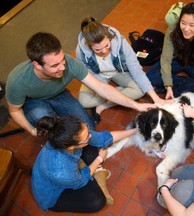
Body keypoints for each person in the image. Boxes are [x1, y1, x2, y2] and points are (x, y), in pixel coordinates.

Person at [5, 32, 156, 138]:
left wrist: (136, 105)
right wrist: (31, 130)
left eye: (62, 59)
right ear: (37, 65)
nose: (63, 67)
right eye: (55, 66)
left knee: (87, 129)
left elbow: (101, 87)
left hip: (58, 94)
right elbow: (14, 111)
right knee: (48, 123)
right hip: (34, 101)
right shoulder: (17, 81)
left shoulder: (69, 63)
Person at [32, 115, 137, 212]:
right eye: (86, 137)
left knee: (92, 146)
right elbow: (81, 179)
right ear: (71, 147)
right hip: (54, 193)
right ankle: (98, 174)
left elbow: (102, 138)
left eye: (87, 129)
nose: (90, 135)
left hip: (66, 171)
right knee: (97, 202)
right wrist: (100, 159)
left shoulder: (67, 132)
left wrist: (135, 130)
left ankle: (94, 171)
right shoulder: (61, 172)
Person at [76, 16, 168, 122]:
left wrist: (156, 98)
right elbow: (88, 74)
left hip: (118, 71)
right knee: (84, 102)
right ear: (89, 45)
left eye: (107, 45)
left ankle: (105, 105)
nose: (104, 51)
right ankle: (117, 95)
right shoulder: (81, 51)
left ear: (108, 37)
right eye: (97, 49)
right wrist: (104, 89)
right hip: (98, 76)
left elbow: (137, 70)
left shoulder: (121, 43)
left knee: (140, 90)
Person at [146, 2, 194, 103]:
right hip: (178, 60)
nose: (186, 29)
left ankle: (184, 86)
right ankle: (185, 84)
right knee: (151, 77)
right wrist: (168, 86)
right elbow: (166, 59)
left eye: (192, 25)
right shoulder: (172, 29)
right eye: (183, 23)